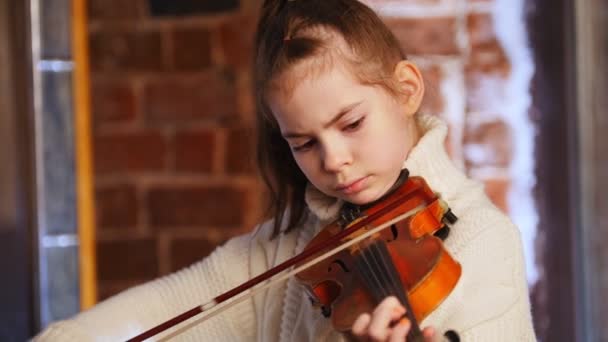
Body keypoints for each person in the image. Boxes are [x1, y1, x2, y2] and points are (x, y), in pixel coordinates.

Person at [35, 0, 536, 341]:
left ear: (406, 90)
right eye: (304, 143)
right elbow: (163, 308)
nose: (334, 160)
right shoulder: (298, 247)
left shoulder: (482, 243)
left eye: (352, 123)